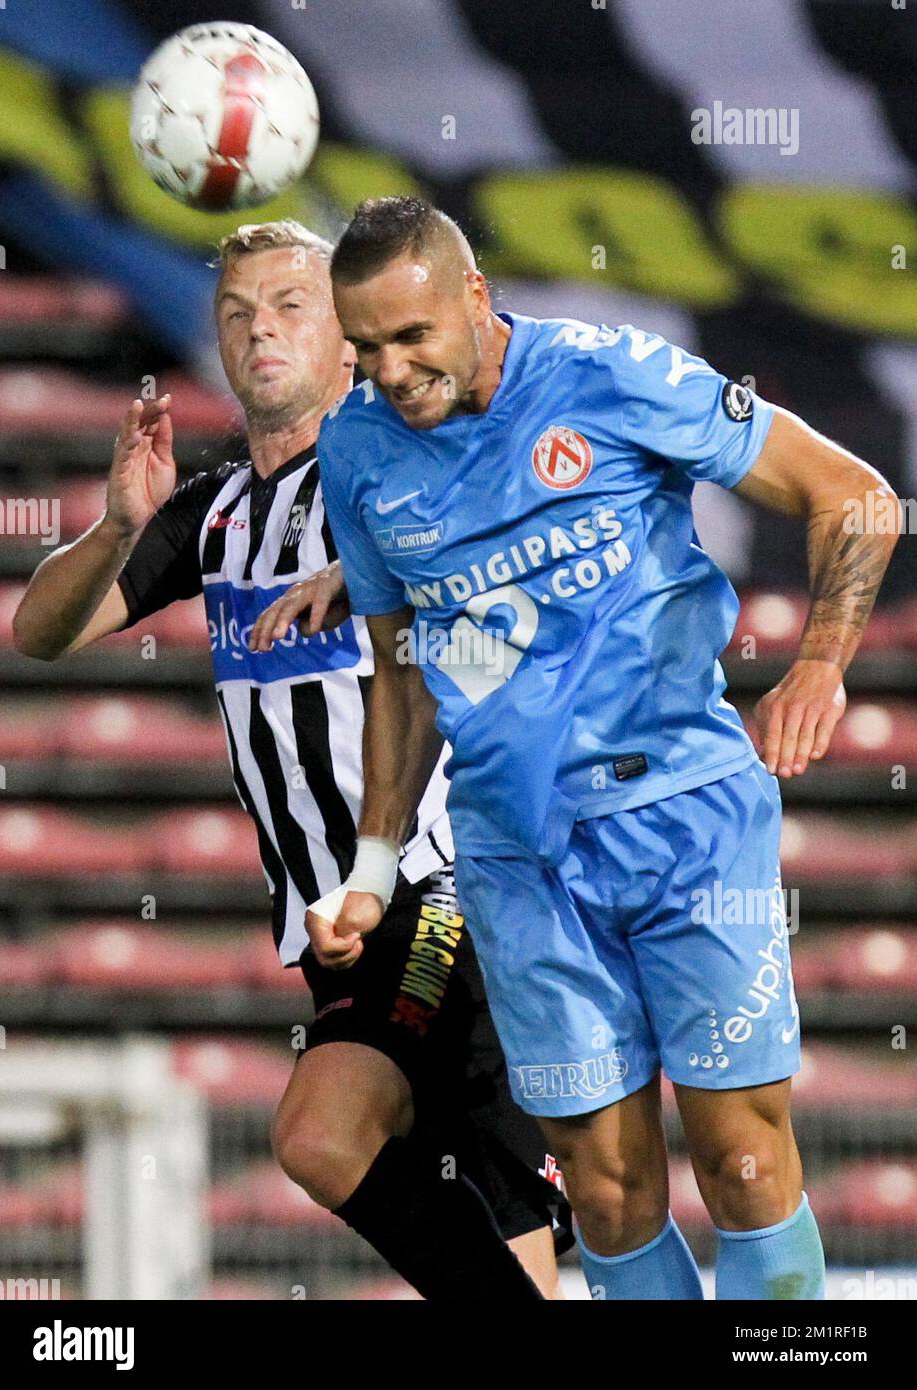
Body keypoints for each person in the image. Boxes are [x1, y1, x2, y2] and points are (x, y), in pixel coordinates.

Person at [313, 196, 900, 1301]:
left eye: (411, 337)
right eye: (366, 347)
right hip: (518, 857)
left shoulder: (610, 373)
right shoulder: (353, 452)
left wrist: (819, 661)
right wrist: (373, 867)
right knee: (605, 1185)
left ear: (475, 299)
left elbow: (854, 496)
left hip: (686, 822)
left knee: (737, 1156)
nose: (389, 371)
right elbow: (400, 670)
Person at [12, 218, 571, 1302]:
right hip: (336, 930)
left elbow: (509, 617)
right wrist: (117, 529)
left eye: (289, 307)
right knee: (504, 1236)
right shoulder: (213, 517)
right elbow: (39, 632)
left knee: (322, 1130)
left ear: (345, 336)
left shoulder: (396, 476)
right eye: (236, 314)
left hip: (444, 888)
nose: (259, 331)